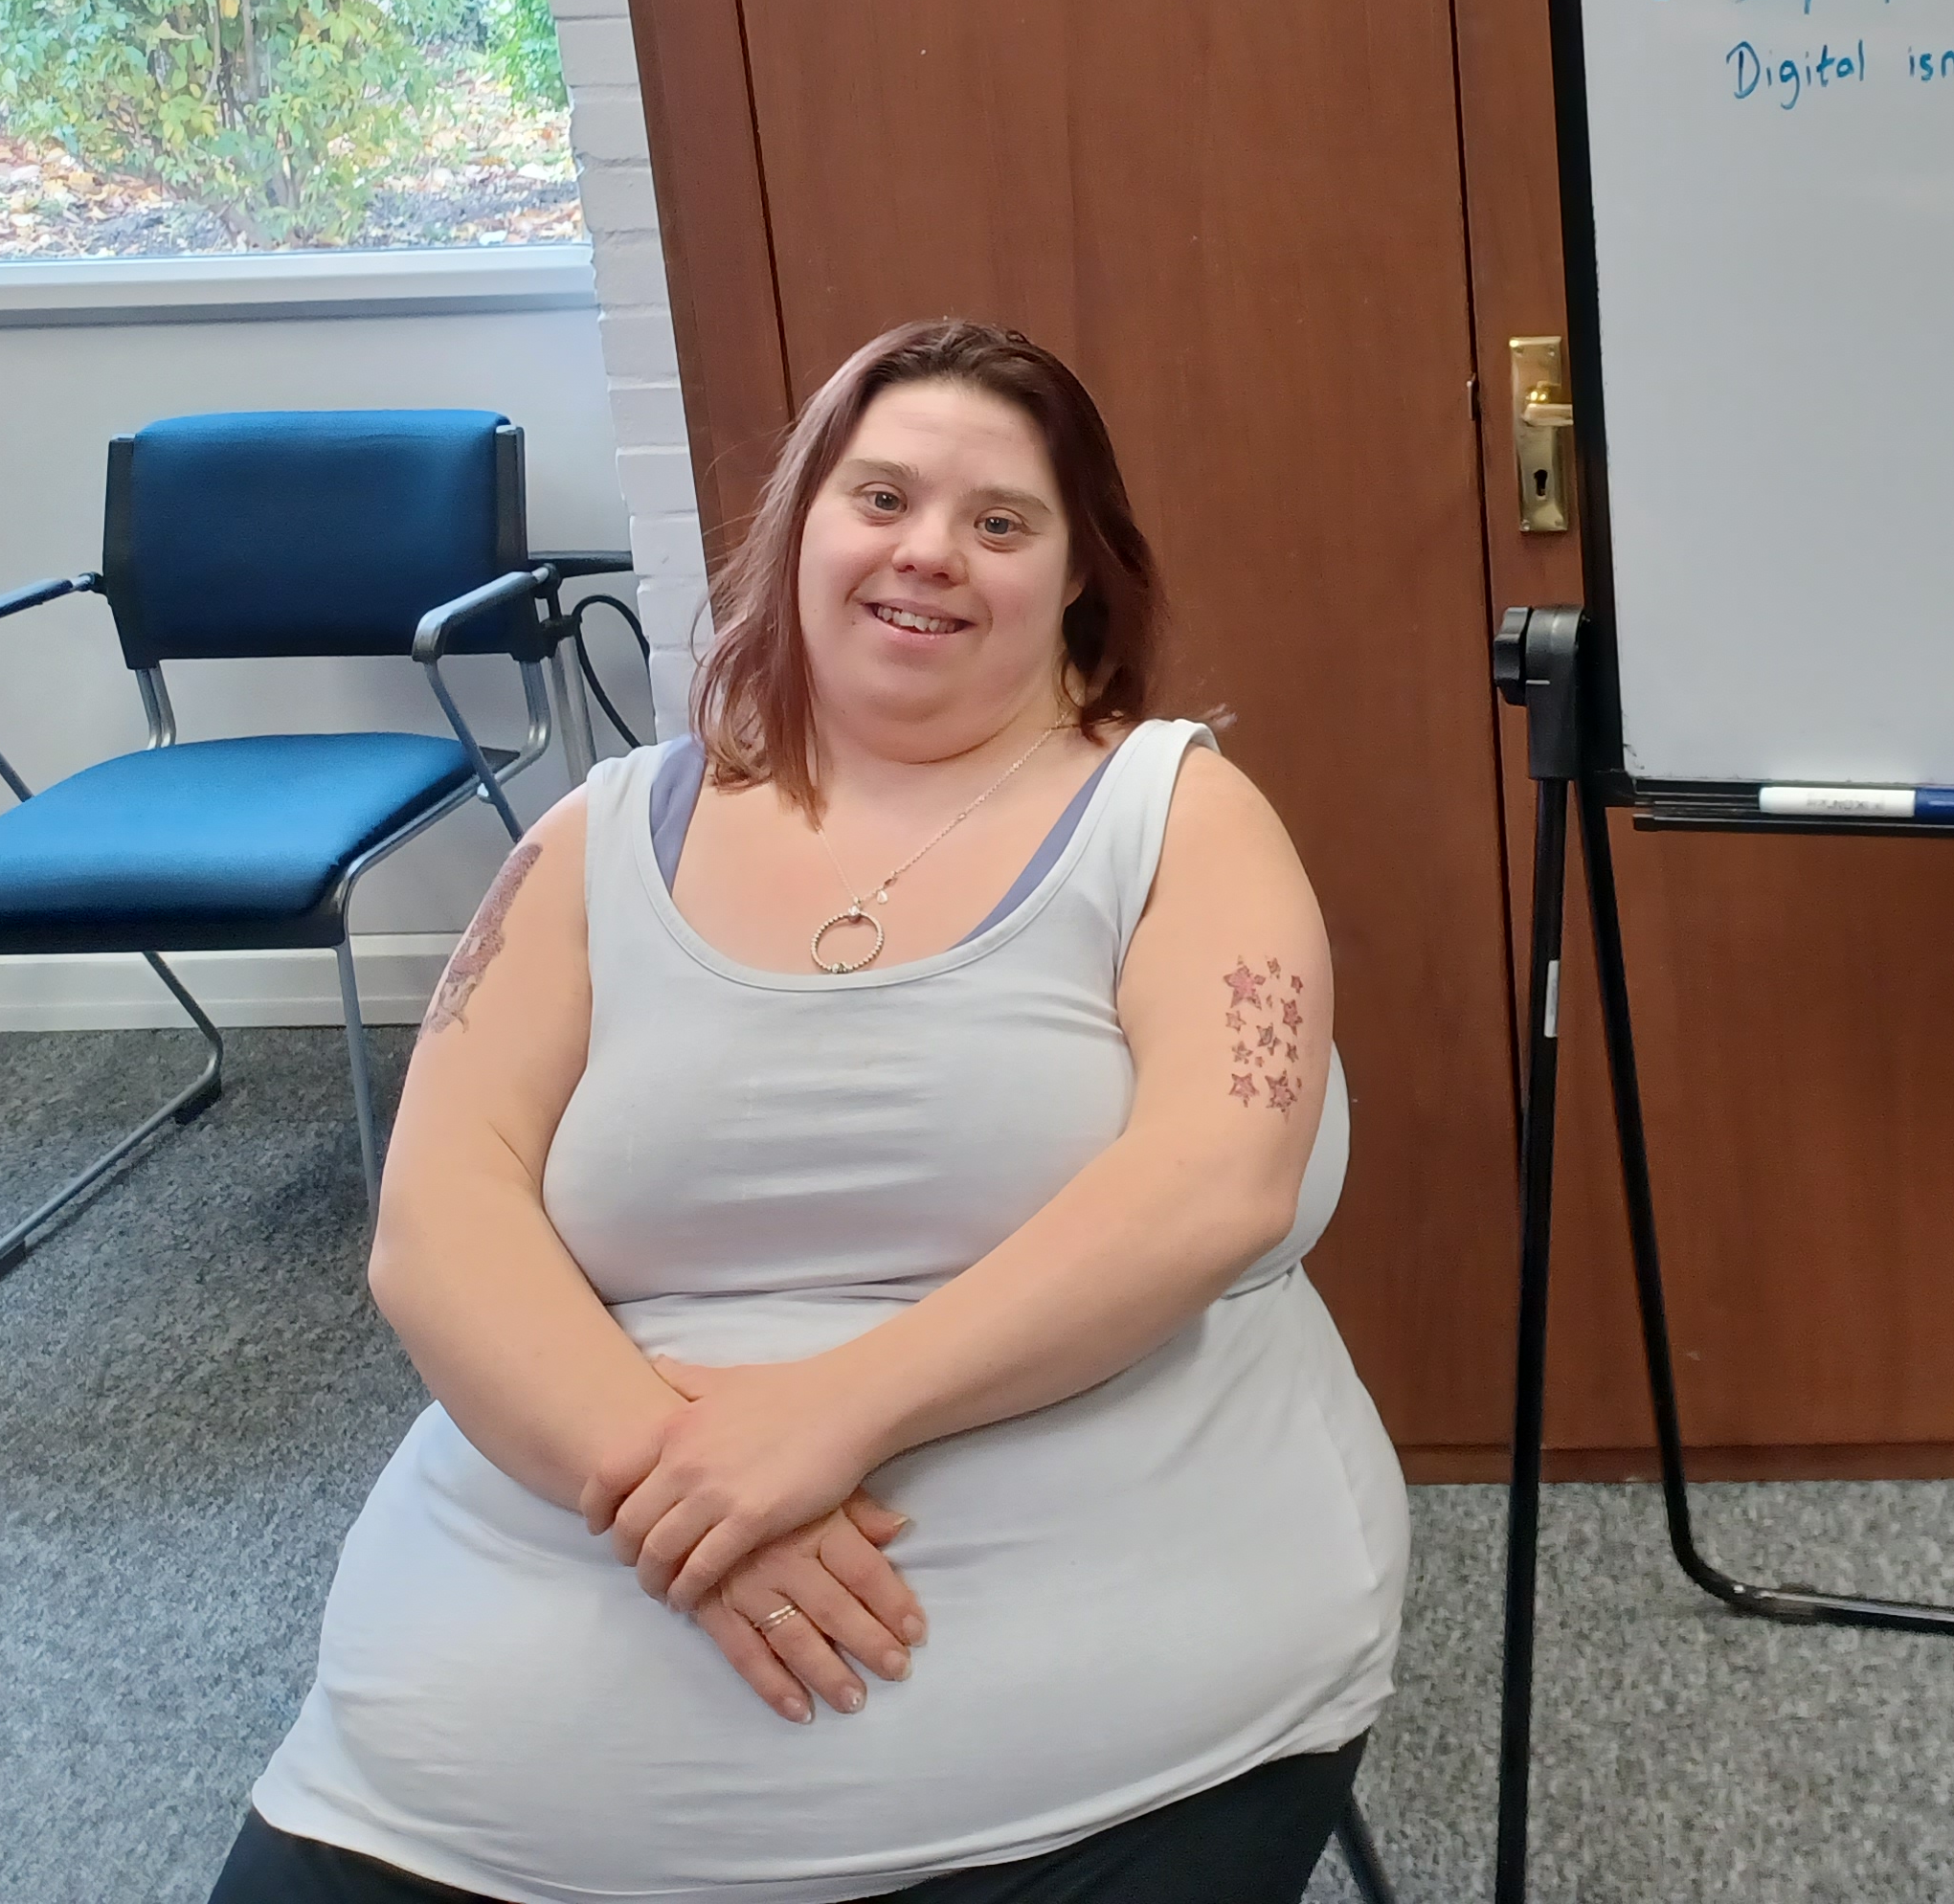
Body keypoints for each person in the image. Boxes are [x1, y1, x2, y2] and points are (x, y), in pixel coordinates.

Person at [213, 318, 1406, 1904]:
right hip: (485, 1748)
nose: (930, 553)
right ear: (799, 537)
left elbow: (1216, 1181)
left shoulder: (1175, 812)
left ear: (1077, 585)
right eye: (882, 498)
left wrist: (828, 1418)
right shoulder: (595, 839)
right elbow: (439, 1223)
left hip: (1093, 1706)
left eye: (1001, 522)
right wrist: (693, 1487)